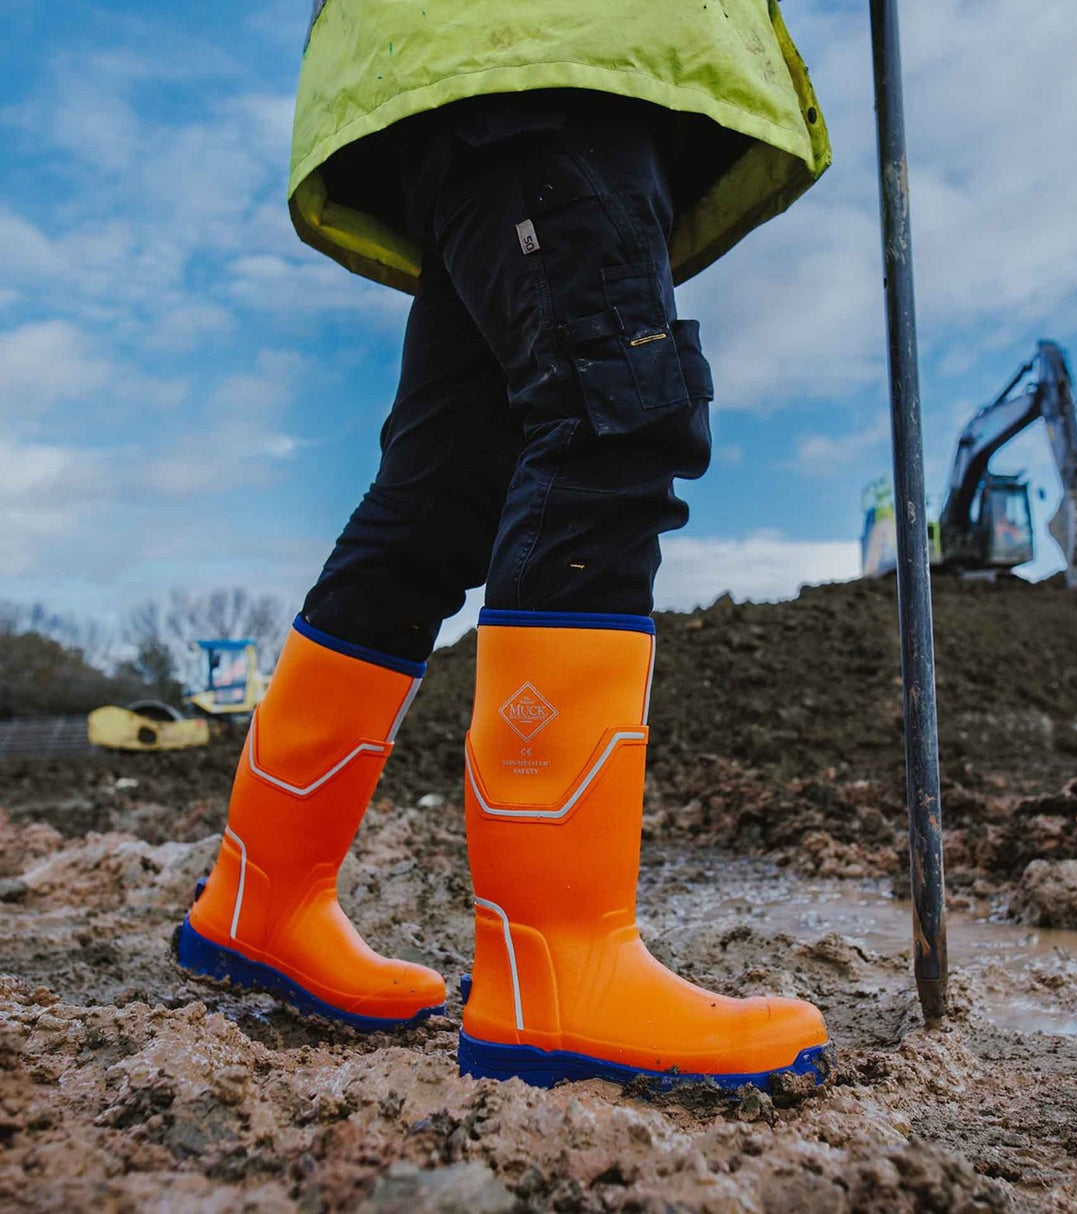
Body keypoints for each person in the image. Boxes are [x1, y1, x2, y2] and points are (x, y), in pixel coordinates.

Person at [177, 0, 834, 1091]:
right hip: (552, 48)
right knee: (610, 418)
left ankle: (261, 899)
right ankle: (555, 970)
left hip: (464, 68)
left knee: (441, 493)